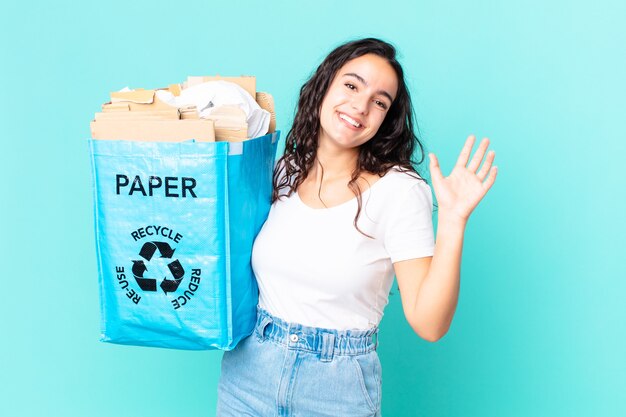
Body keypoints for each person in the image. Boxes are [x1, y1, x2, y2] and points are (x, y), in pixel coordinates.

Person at [216, 38, 497, 417]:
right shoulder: (282, 170)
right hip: (249, 375)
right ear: (324, 86)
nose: (361, 106)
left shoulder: (400, 191)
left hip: (335, 389)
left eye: (380, 102)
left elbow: (430, 324)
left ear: (387, 119)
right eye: (351, 85)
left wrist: (453, 219)